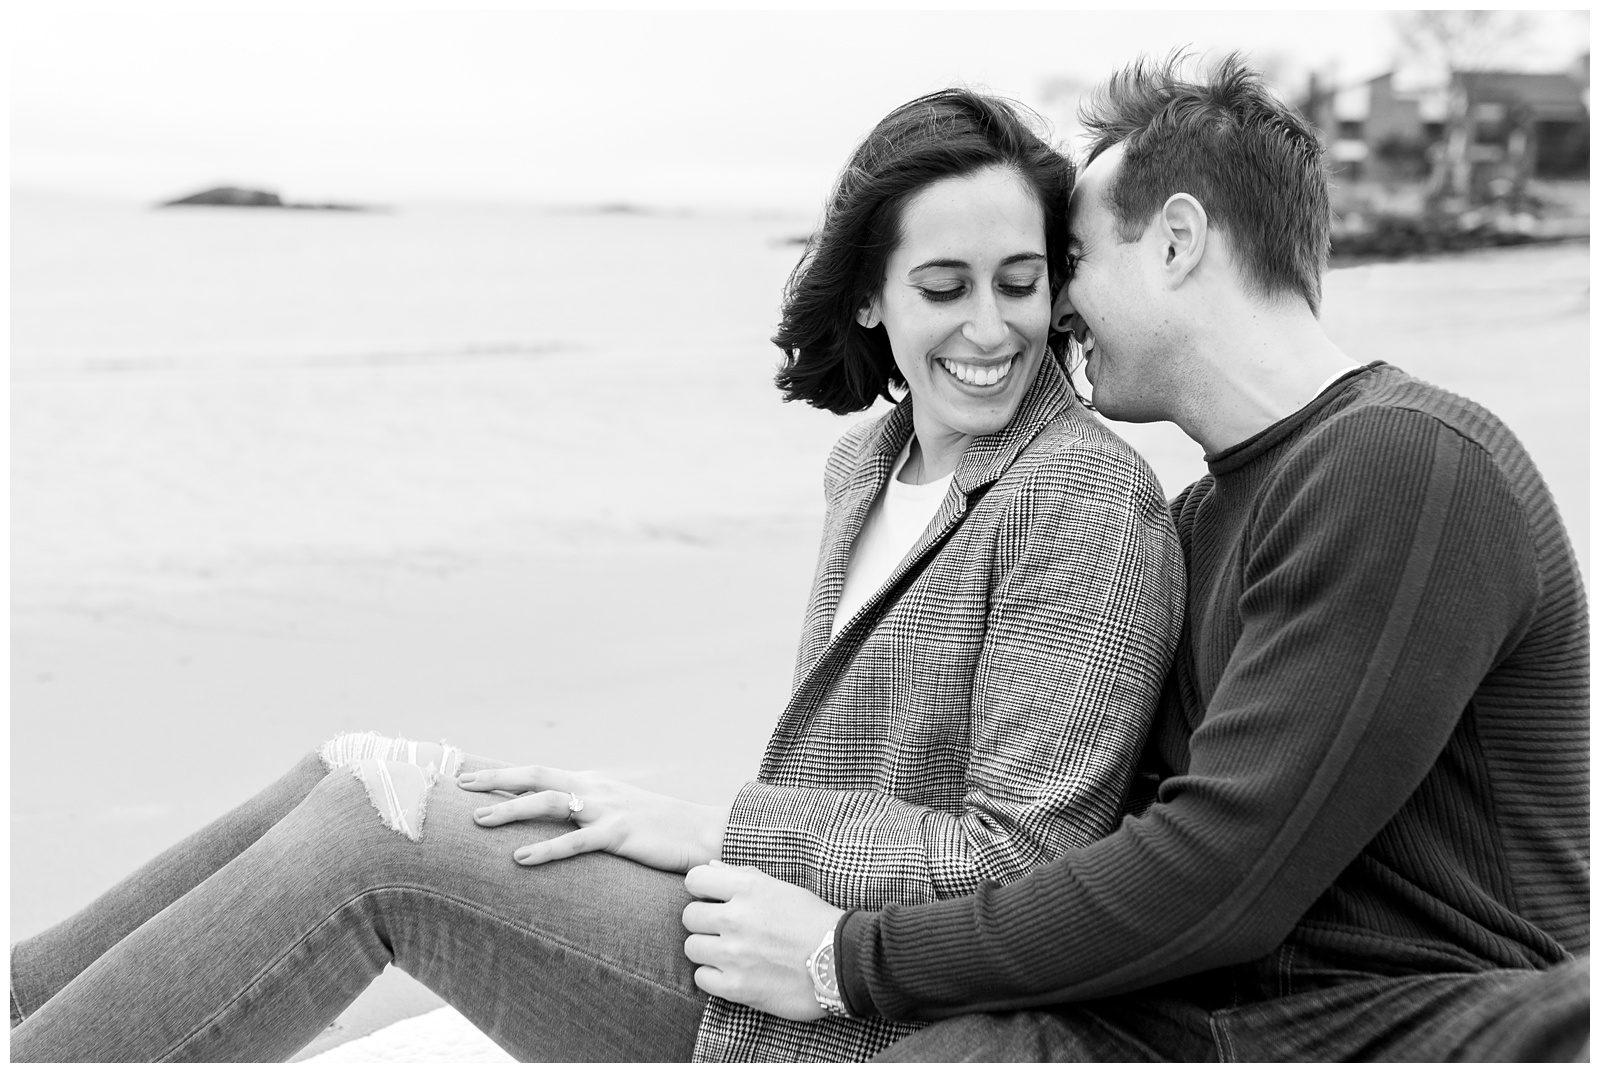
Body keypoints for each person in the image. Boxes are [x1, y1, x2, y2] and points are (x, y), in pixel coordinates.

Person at [9, 89, 1186, 1063]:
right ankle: (22, 1007)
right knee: (363, 768)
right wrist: (673, 825)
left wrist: (714, 824)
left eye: (1019, 280)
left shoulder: (1076, 493)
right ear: (871, 296)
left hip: (834, 999)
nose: (990, 326)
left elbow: (1028, 860)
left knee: (378, 845)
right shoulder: (865, 462)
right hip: (747, 912)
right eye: (944, 286)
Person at [678, 54, 1590, 1063]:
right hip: (1191, 1020)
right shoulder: (1200, 514)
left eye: (1068, 260)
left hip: (1414, 1021)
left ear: (1175, 242)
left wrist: (846, 960)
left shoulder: (1403, 461)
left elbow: (1215, 870)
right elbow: (1110, 850)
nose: (1053, 311)